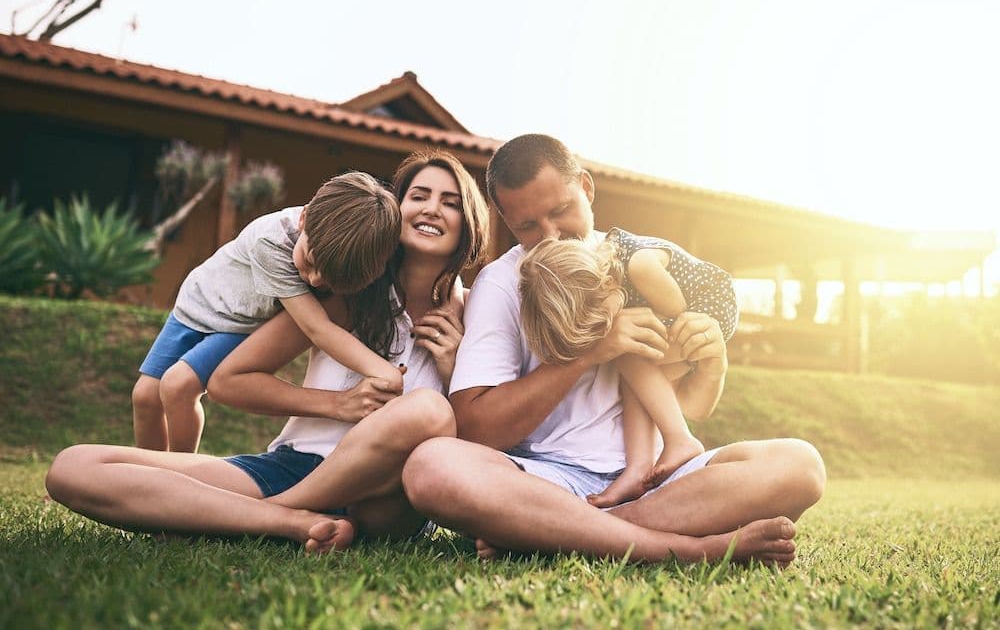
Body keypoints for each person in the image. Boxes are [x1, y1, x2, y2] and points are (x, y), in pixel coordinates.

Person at [402, 134, 826, 565]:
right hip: (549, 479)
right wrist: (591, 351)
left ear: (586, 188)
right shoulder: (502, 282)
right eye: (527, 226)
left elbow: (683, 404)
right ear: (506, 220)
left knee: (800, 465)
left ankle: (562, 531)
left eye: (559, 211)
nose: (549, 235)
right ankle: (690, 548)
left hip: (663, 480)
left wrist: (712, 365)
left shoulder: (644, 265)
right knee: (431, 466)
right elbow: (476, 429)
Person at [45, 150, 491, 551]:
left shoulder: (477, 314)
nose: (432, 208)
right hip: (295, 465)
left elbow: (489, 443)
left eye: (451, 202)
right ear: (395, 211)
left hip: (391, 497)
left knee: (427, 411)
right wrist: (338, 405)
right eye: (419, 195)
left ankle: (269, 512)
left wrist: (454, 369)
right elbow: (228, 381)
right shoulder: (347, 293)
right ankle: (288, 522)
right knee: (74, 466)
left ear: (470, 220)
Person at [132, 172, 404, 453]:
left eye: (327, 279)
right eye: (309, 262)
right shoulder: (271, 242)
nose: (312, 280)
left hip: (237, 322)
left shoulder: (338, 245)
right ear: (304, 219)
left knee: (178, 386)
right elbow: (317, 328)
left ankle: (175, 473)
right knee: (145, 397)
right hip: (197, 303)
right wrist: (385, 372)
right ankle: (143, 479)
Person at [518, 225, 738, 507]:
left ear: (607, 285)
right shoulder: (612, 274)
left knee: (630, 354)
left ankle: (679, 439)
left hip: (708, 307)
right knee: (634, 372)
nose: (604, 331)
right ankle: (640, 467)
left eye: (600, 320)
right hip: (691, 318)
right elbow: (695, 406)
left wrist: (688, 349)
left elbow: (676, 310)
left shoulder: (639, 266)